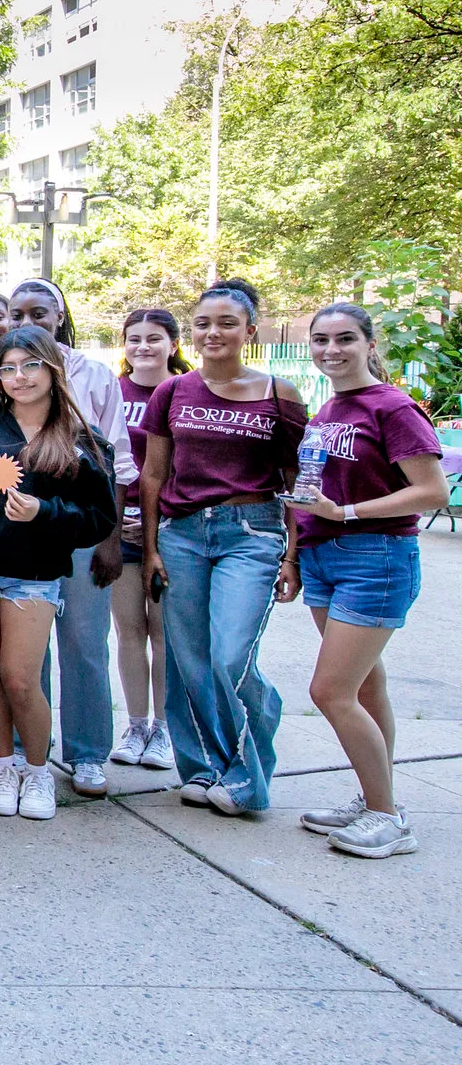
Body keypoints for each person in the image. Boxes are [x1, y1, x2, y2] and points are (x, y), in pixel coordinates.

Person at [137, 281, 307, 815]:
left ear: (250, 331)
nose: (214, 333)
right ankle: (203, 767)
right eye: (204, 323)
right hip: (182, 533)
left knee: (231, 658)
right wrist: (151, 549)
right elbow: (153, 474)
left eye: (227, 323)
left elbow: (296, 479)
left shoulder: (281, 395)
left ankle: (247, 777)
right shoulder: (173, 392)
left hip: (250, 533)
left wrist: (292, 554)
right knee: (188, 659)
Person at [0, 326, 117, 822]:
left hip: (34, 576)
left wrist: (44, 512)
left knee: (19, 677)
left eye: (31, 365)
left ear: (53, 368)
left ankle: (37, 771)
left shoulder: (82, 441)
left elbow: (99, 520)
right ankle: (4, 765)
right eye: (9, 367)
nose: (20, 377)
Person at [292, 303, 447, 858]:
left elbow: (433, 492)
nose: (331, 349)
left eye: (345, 339)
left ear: (369, 344)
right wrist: (298, 551)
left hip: (375, 556)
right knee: (363, 686)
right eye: (320, 340)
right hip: (323, 556)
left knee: (329, 691)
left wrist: (346, 514)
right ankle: (373, 796)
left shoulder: (393, 406)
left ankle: (388, 818)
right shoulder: (329, 408)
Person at [7, 278, 135, 799]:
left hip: (83, 533)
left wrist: (109, 539)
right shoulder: (6, 375)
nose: (28, 322)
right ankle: (21, 746)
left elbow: (117, 463)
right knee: (26, 650)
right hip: (24, 532)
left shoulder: (95, 375)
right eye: (19, 313)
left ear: (60, 317)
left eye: (40, 313)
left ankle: (86, 754)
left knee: (84, 645)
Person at [110, 307, 188, 771]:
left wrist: (158, 522)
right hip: (120, 529)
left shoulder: (186, 390)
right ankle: (136, 723)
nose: (143, 346)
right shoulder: (112, 391)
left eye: (154, 338)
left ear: (173, 345)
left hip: (170, 528)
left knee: (164, 633)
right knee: (128, 631)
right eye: (134, 338)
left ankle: (163, 728)